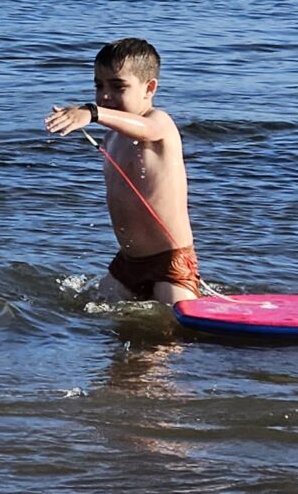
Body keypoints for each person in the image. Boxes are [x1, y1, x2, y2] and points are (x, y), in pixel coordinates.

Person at [44, 37, 204, 303]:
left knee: (172, 333)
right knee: (104, 327)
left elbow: (146, 130)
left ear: (149, 88)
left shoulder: (159, 123)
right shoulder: (112, 138)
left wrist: (93, 113)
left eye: (118, 86)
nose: (105, 95)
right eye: (99, 85)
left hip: (170, 262)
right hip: (128, 263)